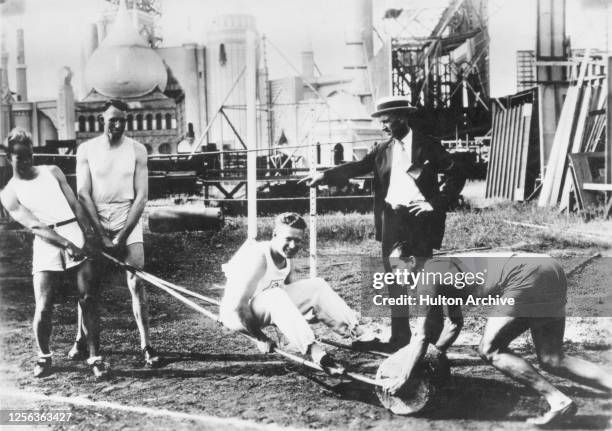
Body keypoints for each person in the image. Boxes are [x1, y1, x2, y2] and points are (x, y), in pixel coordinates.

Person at [300, 96, 465, 351]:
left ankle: (430, 341)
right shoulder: (383, 149)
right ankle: (400, 340)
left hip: (420, 220)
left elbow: (457, 172)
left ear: (402, 118)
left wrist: (435, 203)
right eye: (382, 123)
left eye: (387, 122)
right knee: (394, 281)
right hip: (393, 220)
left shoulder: (428, 145)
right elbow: (358, 166)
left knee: (425, 280)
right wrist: (324, 175)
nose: (383, 127)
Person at [378, 252, 612, 426]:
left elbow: (420, 335)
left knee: (490, 350)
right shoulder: (439, 267)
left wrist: (406, 376)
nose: (394, 276)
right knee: (552, 358)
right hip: (548, 266)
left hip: (525, 276)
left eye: (396, 268)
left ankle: (557, 400)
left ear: (410, 261)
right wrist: (433, 357)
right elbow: (453, 325)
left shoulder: (426, 280)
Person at [0, 128, 109, 379]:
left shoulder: (53, 172)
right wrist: (65, 244)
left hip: (74, 232)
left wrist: (88, 235)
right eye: (19, 157)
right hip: (47, 242)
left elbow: (75, 205)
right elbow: (35, 225)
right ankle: (44, 357)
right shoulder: (8, 193)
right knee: (44, 305)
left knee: (88, 298)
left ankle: (95, 357)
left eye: (29, 155)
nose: (26, 161)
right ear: (9, 158)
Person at [219, 212, 374, 375]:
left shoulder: (285, 256)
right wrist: (261, 338)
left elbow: (291, 298)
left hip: (266, 307)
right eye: (288, 239)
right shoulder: (259, 257)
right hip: (237, 316)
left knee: (317, 285)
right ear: (275, 235)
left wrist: (312, 313)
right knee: (276, 295)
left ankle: (355, 332)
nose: (293, 245)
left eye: (298, 240)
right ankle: (318, 354)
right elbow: (238, 306)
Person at [74, 99, 160, 368]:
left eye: (122, 119)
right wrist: (100, 234)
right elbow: (83, 193)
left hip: (127, 215)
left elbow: (142, 196)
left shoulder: (137, 150)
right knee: (87, 283)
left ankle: (146, 344)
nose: (118, 124)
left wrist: (122, 236)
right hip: (96, 216)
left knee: (137, 281)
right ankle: (80, 339)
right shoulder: (86, 149)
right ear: (103, 119)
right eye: (113, 119)